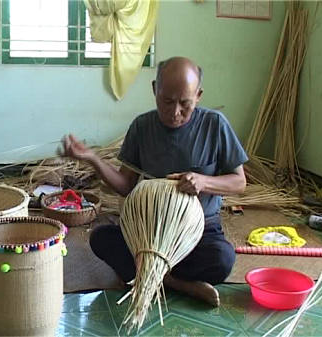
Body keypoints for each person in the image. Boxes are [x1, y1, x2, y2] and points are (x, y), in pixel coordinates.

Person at [62, 57, 248, 307]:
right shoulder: (142, 127)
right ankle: (179, 284)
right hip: (148, 229)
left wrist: (203, 181)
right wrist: (92, 159)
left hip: (197, 231)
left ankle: (148, 274)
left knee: (222, 258)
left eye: (185, 104)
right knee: (100, 238)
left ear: (199, 95)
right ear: (154, 90)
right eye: (167, 101)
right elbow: (126, 186)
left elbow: (239, 182)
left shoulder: (215, 125)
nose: (175, 112)